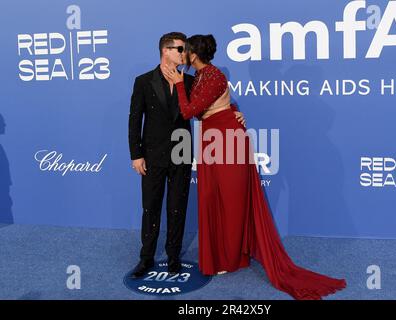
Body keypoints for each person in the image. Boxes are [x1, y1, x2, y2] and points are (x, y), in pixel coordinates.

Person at [163, 34, 347, 299]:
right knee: (212, 197)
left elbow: (189, 111)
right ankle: (224, 254)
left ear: (193, 53)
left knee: (231, 200)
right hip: (212, 138)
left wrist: (180, 85)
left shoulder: (213, 75)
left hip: (227, 140)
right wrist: (233, 107)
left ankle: (232, 257)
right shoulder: (203, 76)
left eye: (185, 50)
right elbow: (215, 103)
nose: (182, 54)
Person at [128, 32, 246, 278]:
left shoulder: (192, 81)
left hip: (181, 152)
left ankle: (173, 257)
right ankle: (146, 257)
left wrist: (233, 112)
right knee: (151, 207)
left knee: (177, 207)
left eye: (185, 49)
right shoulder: (143, 81)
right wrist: (136, 154)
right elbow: (134, 120)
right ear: (165, 51)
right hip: (152, 155)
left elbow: (214, 101)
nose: (185, 54)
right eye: (180, 49)